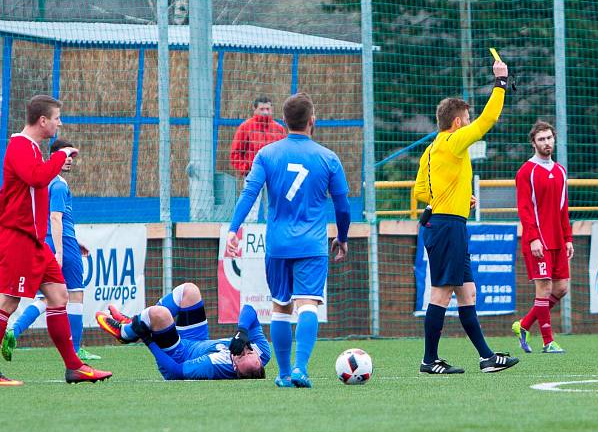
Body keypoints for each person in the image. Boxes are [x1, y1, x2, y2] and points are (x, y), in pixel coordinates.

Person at [226, 92, 351, 388]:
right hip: (312, 245)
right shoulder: (328, 158)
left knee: (280, 306)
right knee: (307, 305)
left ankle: (283, 375)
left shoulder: (267, 154)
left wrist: (234, 230)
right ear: (312, 121)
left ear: (283, 121)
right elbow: (343, 206)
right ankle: (300, 369)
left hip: (278, 245)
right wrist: (342, 237)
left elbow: (249, 193)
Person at [413, 60, 519, 375]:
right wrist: (500, 83)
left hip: (445, 221)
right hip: (447, 226)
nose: (470, 122)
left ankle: (487, 358)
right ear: (458, 122)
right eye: (467, 118)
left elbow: (421, 190)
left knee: (467, 291)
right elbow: (489, 119)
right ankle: (429, 360)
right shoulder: (453, 141)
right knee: (442, 292)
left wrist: (457, 198)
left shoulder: (433, 149)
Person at [0, 95, 111, 385]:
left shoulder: (33, 149)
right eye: (57, 118)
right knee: (8, 301)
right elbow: (37, 179)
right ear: (43, 121)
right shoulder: (20, 147)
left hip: (36, 241)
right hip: (20, 238)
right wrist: (60, 157)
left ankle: (74, 367)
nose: (60, 123)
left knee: (59, 296)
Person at [2, 139, 99, 362]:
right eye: (66, 157)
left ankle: (12, 331)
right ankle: (75, 351)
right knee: (75, 293)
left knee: (47, 297)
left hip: (45, 242)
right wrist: (62, 250)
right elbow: (56, 217)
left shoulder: (41, 183)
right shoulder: (58, 184)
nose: (70, 162)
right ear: (54, 156)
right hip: (61, 243)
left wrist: (75, 240)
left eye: (72, 158)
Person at [96, 283, 268, 380]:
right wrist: (242, 331)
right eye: (248, 352)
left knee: (160, 314)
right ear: (260, 359)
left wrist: (148, 341)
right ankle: (135, 323)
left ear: (235, 368)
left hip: (178, 355)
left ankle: (125, 332)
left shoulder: (214, 367)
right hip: (198, 340)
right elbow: (249, 309)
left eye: (239, 357)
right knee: (190, 291)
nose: (244, 351)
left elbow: (175, 371)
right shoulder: (262, 351)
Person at [511, 120, 573, 354]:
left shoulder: (560, 171)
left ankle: (524, 325)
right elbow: (525, 208)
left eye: (549, 138)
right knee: (544, 289)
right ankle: (548, 342)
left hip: (558, 239)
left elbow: (563, 208)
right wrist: (533, 238)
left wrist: (568, 238)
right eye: (542, 139)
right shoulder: (526, 171)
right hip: (538, 240)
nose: (547, 143)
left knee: (562, 288)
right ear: (533, 143)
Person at [229, 96, 287, 222]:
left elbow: (285, 154)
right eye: (262, 109)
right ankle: (247, 236)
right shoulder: (246, 127)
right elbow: (236, 153)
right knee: (250, 211)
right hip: (253, 174)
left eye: (267, 109)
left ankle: (272, 239)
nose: (265, 112)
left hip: (273, 176)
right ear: (254, 109)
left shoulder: (279, 129)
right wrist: (246, 170)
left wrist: (281, 172)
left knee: (274, 211)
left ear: (272, 109)